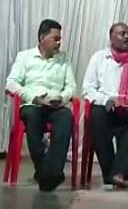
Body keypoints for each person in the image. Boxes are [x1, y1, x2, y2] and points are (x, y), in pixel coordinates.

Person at [6, 19, 77, 191]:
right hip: (33, 104)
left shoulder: (63, 58)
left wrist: (61, 98)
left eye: (60, 39)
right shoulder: (25, 57)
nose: (59, 43)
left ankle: (48, 173)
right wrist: (35, 98)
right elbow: (11, 83)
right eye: (55, 39)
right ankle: (48, 174)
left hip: (55, 105)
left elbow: (72, 87)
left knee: (66, 117)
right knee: (32, 116)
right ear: (42, 38)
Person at [82, 23, 128, 189]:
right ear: (111, 37)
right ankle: (114, 174)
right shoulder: (99, 58)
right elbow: (88, 88)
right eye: (122, 33)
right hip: (105, 108)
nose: (127, 37)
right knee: (96, 115)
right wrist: (107, 101)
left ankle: (117, 173)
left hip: (126, 110)